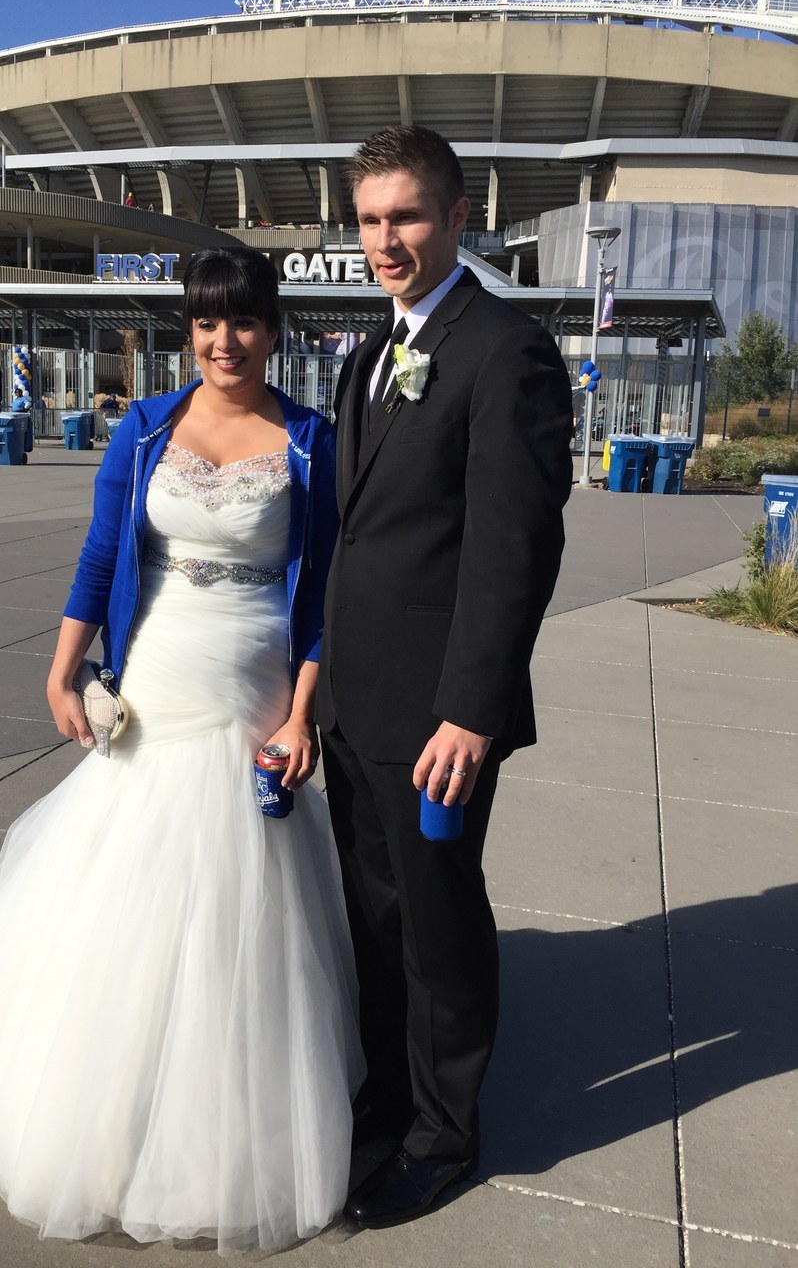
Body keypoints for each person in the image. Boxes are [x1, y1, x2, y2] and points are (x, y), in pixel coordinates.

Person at [0, 247, 363, 1252]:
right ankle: (106, 1106)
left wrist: (301, 716)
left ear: (274, 328)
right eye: (205, 322)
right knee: (127, 889)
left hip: (250, 686)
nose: (222, 341)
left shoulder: (311, 441)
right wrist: (62, 668)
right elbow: (105, 552)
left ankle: (218, 1121)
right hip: (154, 677)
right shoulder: (150, 425)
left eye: (242, 322)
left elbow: (324, 592)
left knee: (240, 907)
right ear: (187, 329)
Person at [315, 126, 574, 1228]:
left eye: (407, 217)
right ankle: (387, 1098)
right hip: (353, 706)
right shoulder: (366, 354)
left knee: (439, 924)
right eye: (370, 220)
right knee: (373, 917)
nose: (387, 240)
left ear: (459, 218)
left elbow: (517, 547)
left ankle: (445, 1134)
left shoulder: (502, 348)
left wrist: (472, 707)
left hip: (435, 717)